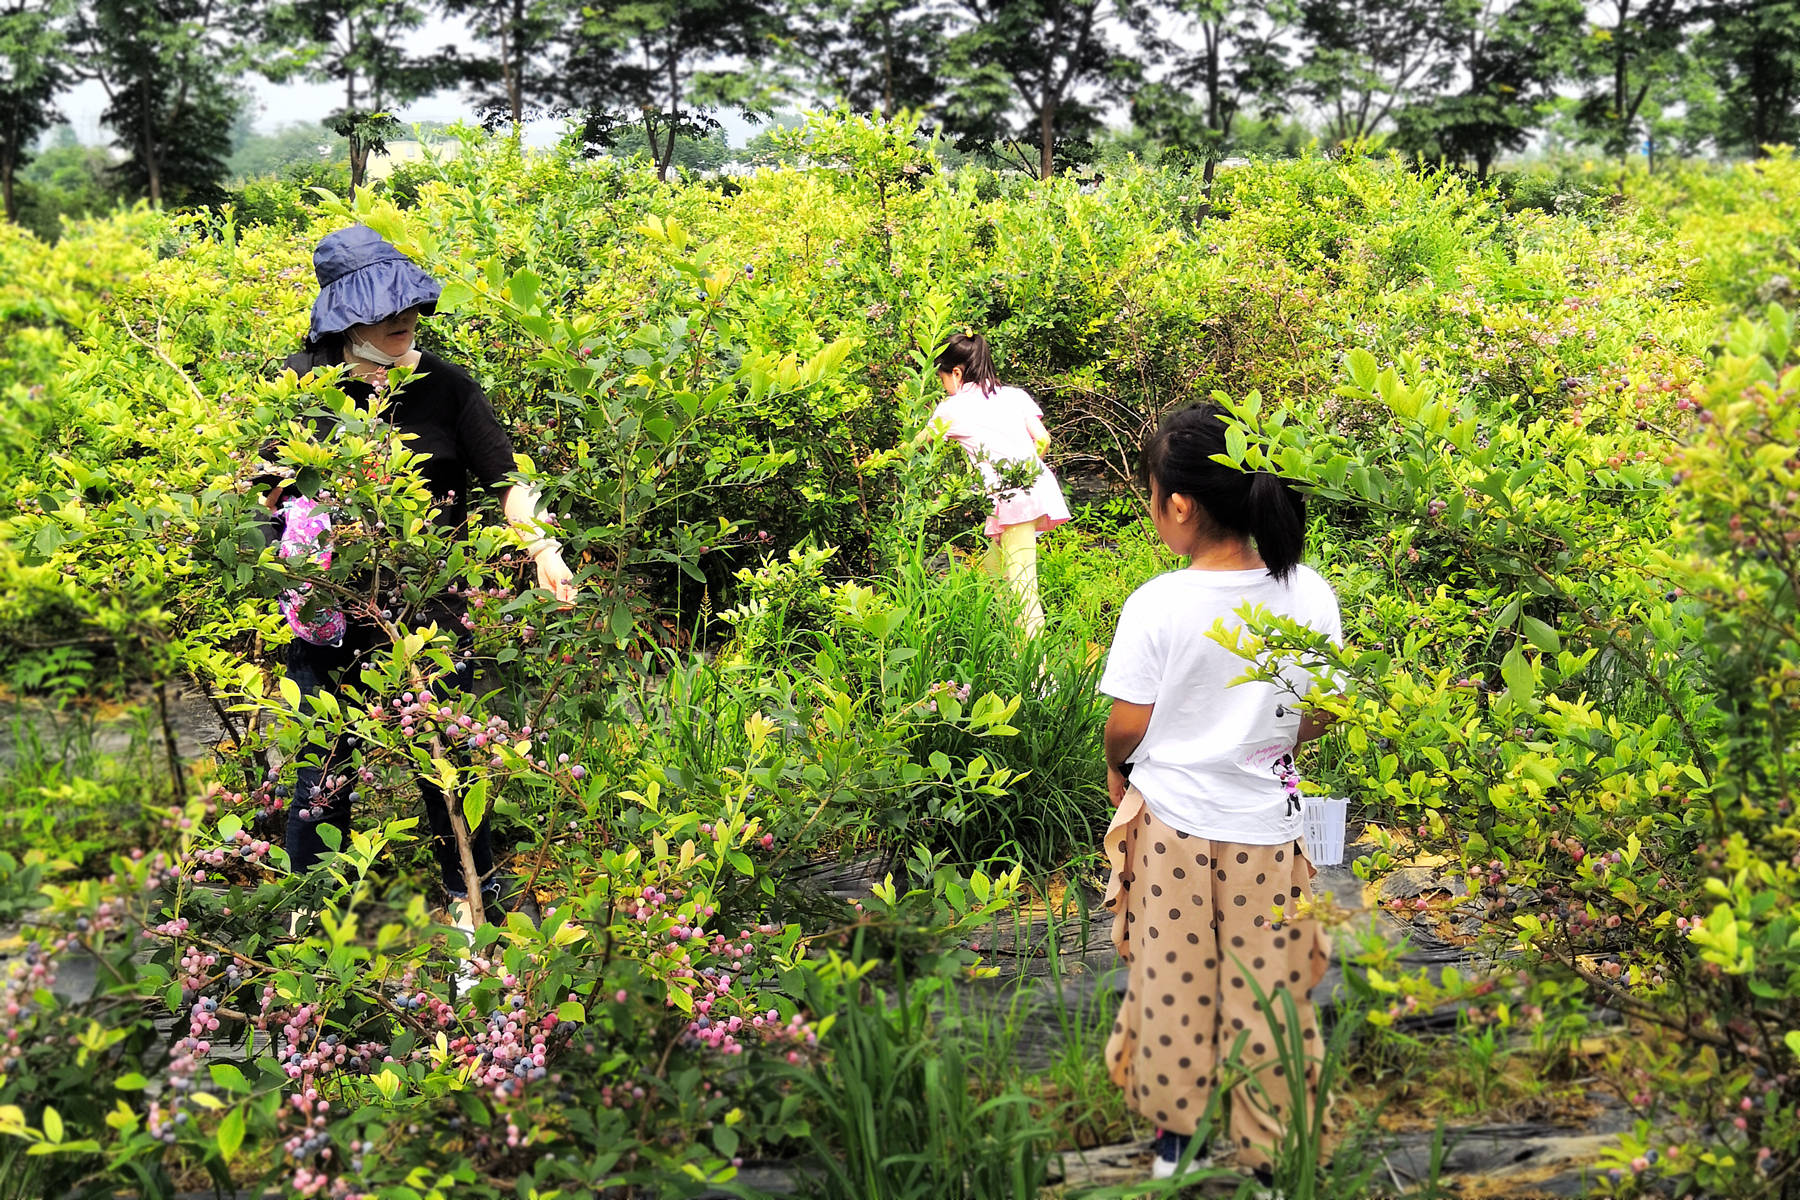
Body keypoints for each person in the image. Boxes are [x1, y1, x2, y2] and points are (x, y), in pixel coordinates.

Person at [258, 224, 576, 935]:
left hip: (432, 620)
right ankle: (314, 941)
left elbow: (506, 482)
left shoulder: (447, 387)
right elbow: (266, 501)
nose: (403, 320)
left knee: (453, 777)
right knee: (321, 782)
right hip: (330, 621)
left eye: (408, 306)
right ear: (345, 317)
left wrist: (544, 550)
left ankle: (476, 924)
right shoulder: (303, 387)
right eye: (383, 309)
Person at [1097, 404, 1338, 1183]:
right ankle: (1277, 1160)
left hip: (1170, 828)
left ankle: (1178, 1150)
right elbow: (1324, 714)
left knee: (1172, 985)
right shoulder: (1308, 593)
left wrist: (1116, 769)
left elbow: (1126, 728)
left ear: (1178, 505)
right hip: (1268, 826)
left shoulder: (1158, 604)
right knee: (1270, 997)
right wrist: (1260, 741)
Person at [929, 332, 1069, 636]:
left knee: (1023, 589)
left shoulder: (952, 409)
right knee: (993, 575)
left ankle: (1039, 677)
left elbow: (916, 449)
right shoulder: (1015, 395)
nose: (944, 388)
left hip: (1011, 502)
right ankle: (1005, 651)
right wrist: (1025, 469)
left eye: (942, 379)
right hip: (1033, 489)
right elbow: (1043, 438)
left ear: (956, 372)